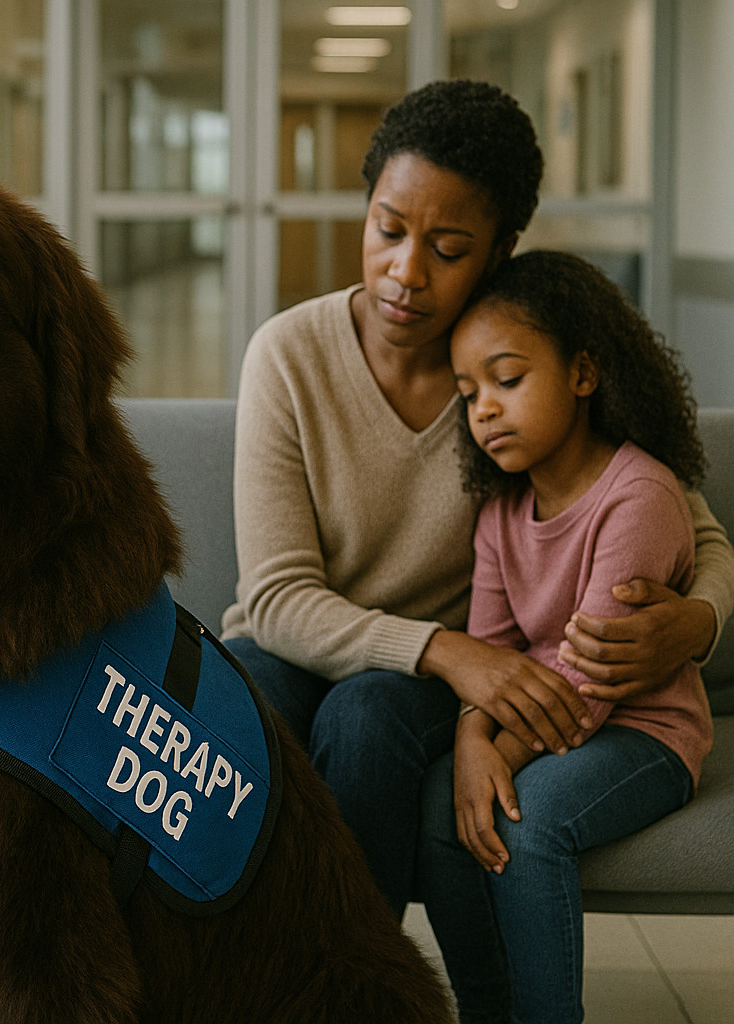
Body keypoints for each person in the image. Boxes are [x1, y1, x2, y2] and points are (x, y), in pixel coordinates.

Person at [219, 78, 734, 920]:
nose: (405, 272)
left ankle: (363, 990)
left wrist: (700, 621)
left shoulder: (514, 376)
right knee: (232, 694)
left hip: (412, 688)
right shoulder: (287, 355)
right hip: (322, 650)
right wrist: (454, 653)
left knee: (366, 716)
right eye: (387, 230)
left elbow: (697, 527)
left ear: (499, 251)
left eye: (448, 249)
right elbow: (275, 598)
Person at [417, 250, 713, 1023]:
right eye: (468, 393)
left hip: (644, 731)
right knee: (438, 807)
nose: (483, 409)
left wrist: (493, 761)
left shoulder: (639, 495)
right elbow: (489, 654)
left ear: (582, 374)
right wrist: (471, 740)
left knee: (527, 819)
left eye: (507, 380)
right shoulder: (499, 515)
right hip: (545, 724)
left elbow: (593, 680)